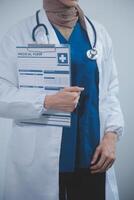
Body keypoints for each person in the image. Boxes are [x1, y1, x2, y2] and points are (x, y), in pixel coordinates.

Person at [0, 0, 124, 200]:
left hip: (93, 154)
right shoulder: (18, 34)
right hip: (39, 159)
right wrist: (46, 101)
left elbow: (110, 91)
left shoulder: (98, 33)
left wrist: (111, 135)